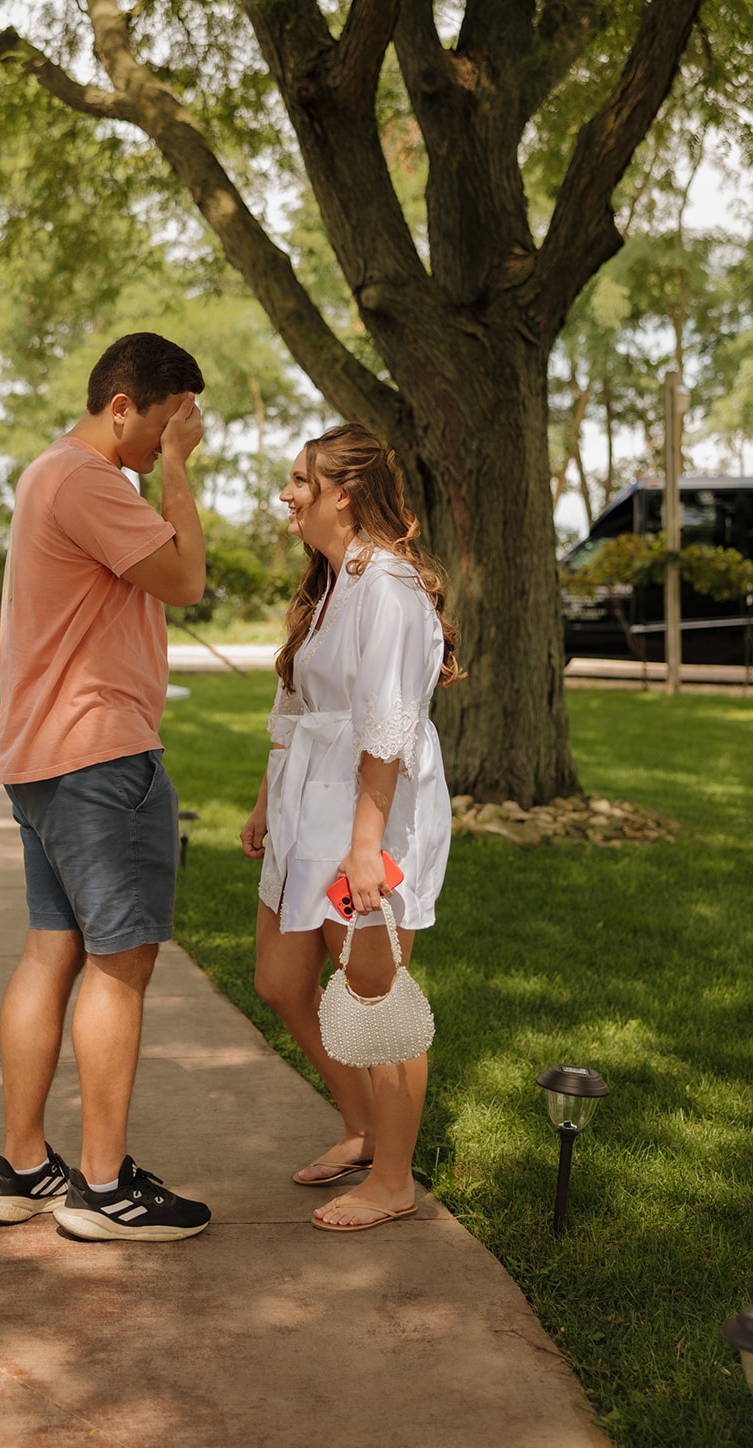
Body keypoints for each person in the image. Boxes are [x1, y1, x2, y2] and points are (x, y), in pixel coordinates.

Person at [0, 332, 212, 1242]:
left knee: (51, 954)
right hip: (95, 757)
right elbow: (186, 579)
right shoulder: (88, 481)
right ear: (123, 406)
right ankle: (104, 1189)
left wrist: (160, 467)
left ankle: (23, 1169)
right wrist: (178, 476)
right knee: (121, 965)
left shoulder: (51, 477)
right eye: (164, 423)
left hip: (45, 759)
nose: (168, 440)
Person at [240, 423, 460, 1232]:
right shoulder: (331, 582)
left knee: (374, 993)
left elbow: (388, 728)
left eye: (301, 480)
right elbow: (297, 705)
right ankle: (363, 1126)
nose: (288, 494)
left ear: (344, 491)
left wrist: (366, 845)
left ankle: (394, 1179)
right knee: (279, 979)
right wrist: (268, 799)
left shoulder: (389, 589)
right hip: (305, 800)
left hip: (369, 809)